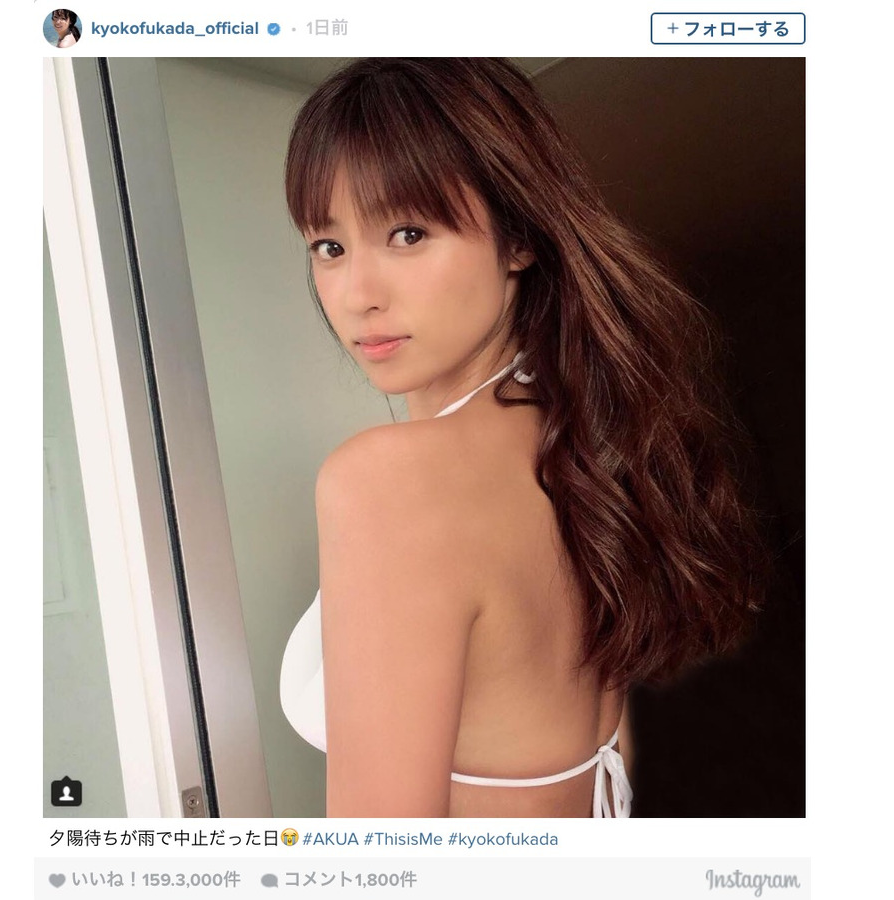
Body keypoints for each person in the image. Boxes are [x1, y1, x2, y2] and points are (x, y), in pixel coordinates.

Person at [279, 58, 763, 817]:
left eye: (408, 233)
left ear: (518, 237)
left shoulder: (389, 482)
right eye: (329, 246)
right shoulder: (587, 448)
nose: (357, 295)